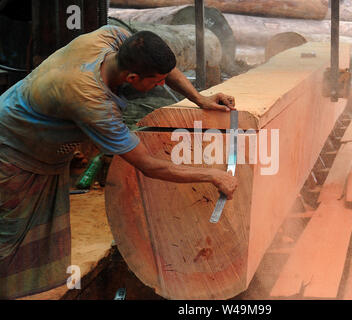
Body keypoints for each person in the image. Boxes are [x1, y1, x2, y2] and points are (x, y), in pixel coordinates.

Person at [0, 25, 237, 299]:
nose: (161, 85)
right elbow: (149, 165)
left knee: (28, 240)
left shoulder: (111, 37)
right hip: (13, 149)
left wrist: (199, 99)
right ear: (133, 77)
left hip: (36, 143)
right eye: (156, 82)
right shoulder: (93, 102)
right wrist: (212, 175)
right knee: (9, 236)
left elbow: (162, 65)